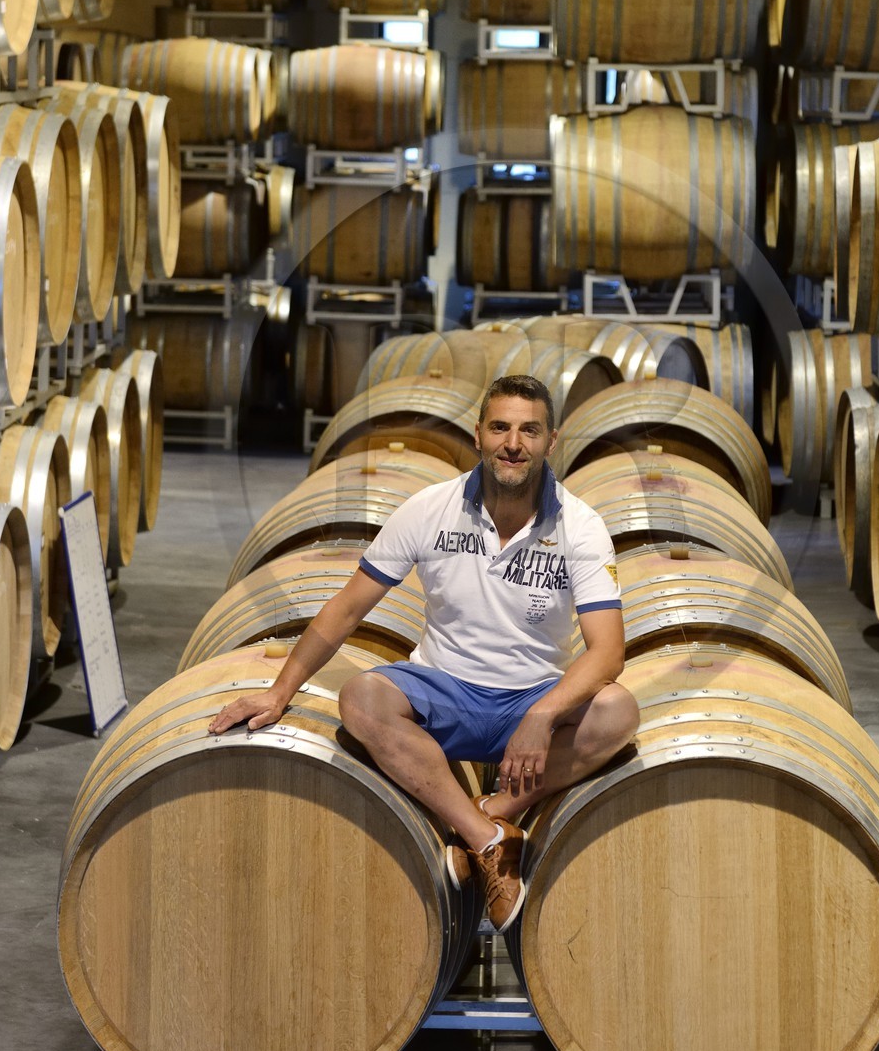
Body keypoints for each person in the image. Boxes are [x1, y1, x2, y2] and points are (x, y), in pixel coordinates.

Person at [209, 374, 639, 931]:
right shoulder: (429, 509)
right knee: (363, 698)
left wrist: (542, 714)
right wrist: (279, 689)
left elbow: (607, 654)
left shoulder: (581, 526)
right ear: (478, 434)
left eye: (529, 430)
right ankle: (486, 839)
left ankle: (495, 815)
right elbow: (346, 607)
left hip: (533, 699)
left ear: (551, 442)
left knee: (619, 711)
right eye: (501, 428)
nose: (514, 443)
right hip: (445, 691)